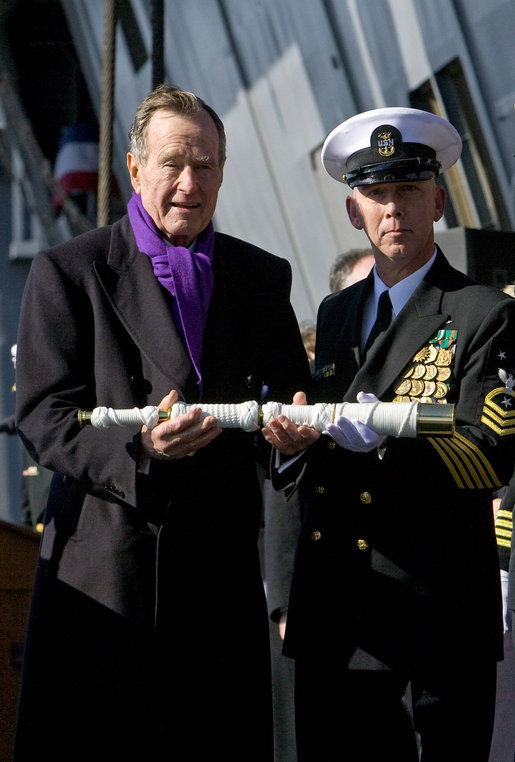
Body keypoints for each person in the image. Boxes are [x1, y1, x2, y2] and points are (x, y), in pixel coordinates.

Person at [13, 84, 312, 762]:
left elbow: (287, 403)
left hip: (219, 583)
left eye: (205, 165)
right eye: (173, 163)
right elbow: (43, 416)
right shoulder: (71, 271)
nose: (188, 182)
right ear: (134, 168)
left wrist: (291, 446)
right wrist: (140, 448)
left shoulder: (260, 278)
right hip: (108, 581)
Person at [262, 106, 515, 761]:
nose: (392, 208)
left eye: (407, 190)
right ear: (355, 213)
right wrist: (293, 448)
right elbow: (317, 432)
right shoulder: (335, 313)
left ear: (437, 201)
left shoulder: (483, 314)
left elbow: (487, 455)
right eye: (376, 194)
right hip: (339, 615)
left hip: (432, 619)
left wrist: (381, 442)